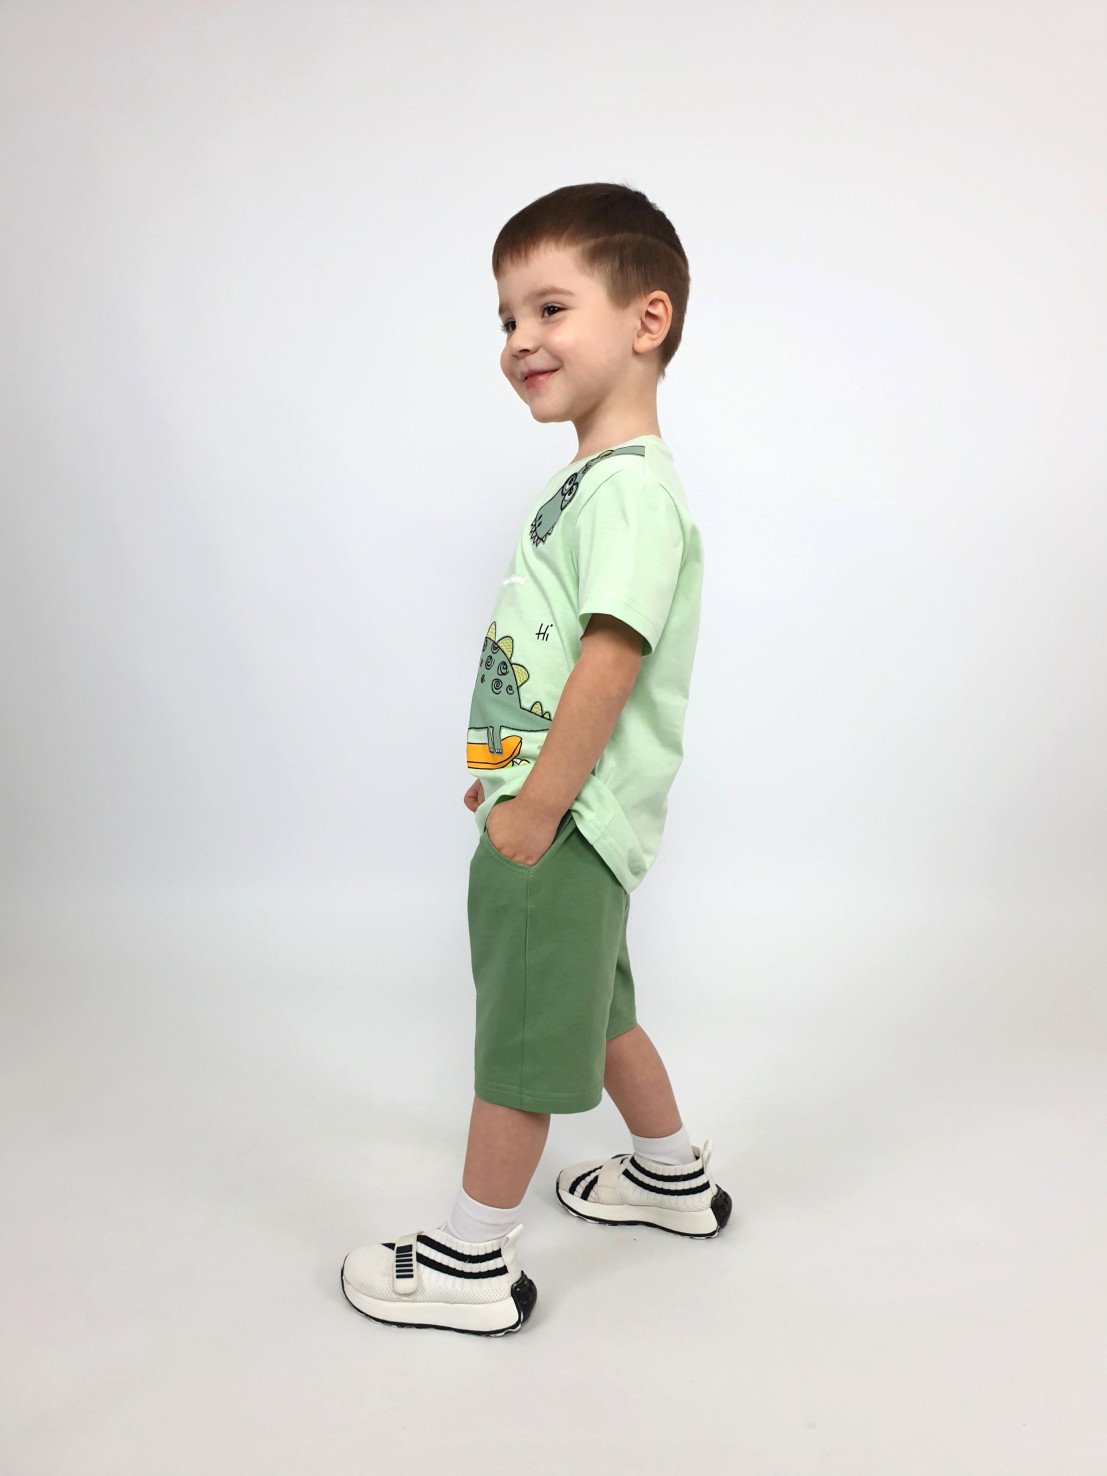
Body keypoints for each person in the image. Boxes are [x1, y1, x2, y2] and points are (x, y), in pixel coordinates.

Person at [341, 182, 731, 1337]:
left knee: (520, 1033)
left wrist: (535, 806)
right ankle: (671, 1176)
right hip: (563, 807)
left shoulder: (631, 493)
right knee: (599, 1010)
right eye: (508, 318)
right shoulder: (596, 481)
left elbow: (610, 661)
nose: (520, 339)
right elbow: (554, 653)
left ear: (647, 320)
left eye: (550, 308)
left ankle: (469, 1258)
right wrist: (508, 765)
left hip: (565, 822)